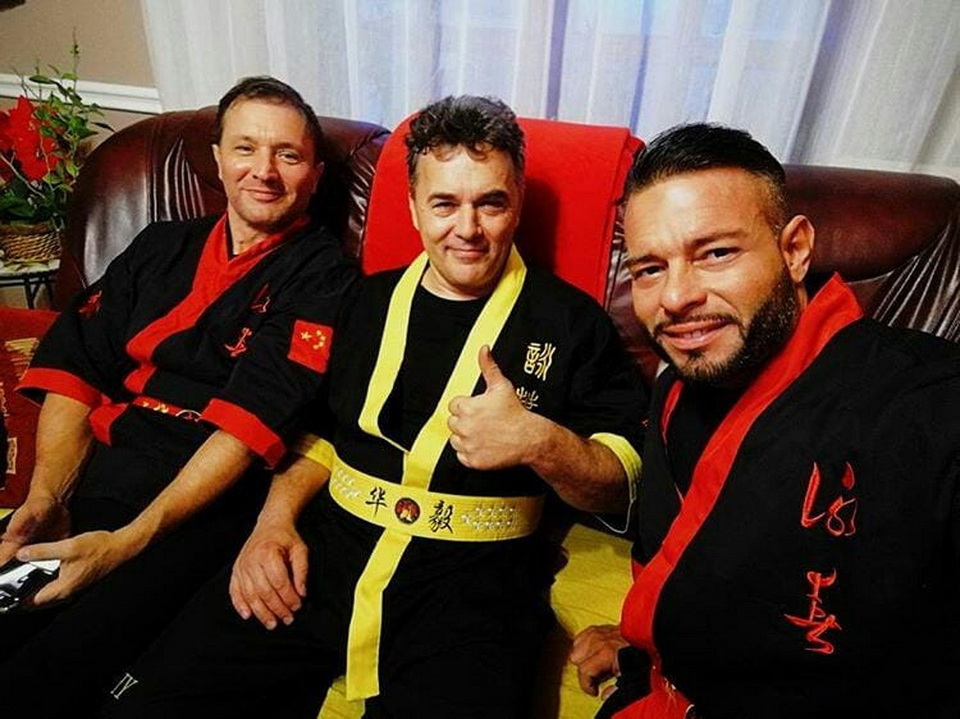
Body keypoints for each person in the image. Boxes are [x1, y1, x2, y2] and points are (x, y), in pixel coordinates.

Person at [103, 95, 647, 719]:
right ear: (413, 207)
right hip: (323, 558)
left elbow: (622, 482)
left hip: (472, 589)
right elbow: (316, 432)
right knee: (152, 698)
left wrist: (541, 443)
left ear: (517, 201)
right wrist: (271, 525)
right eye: (444, 204)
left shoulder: (573, 323)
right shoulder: (360, 301)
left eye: (490, 203)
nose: (467, 229)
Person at [570, 122, 960, 718]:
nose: (675, 297)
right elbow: (679, 552)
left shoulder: (917, 403)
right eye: (650, 269)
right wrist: (647, 633)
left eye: (716, 254)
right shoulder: (675, 387)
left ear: (795, 249)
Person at [0, 76, 358, 715]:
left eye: (288, 154)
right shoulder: (160, 245)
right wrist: (46, 498)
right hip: (96, 476)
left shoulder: (324, 277)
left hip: (195, 506)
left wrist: (126, 543)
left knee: (44, 675)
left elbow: (246, 428)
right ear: (217, 159)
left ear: (315, 174)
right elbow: (76, 370)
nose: (264, 172)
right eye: (245, 148)